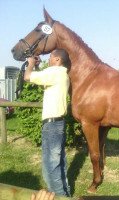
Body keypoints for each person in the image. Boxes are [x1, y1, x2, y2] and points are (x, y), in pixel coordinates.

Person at [24, 49, 71, 196]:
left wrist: (30, 64)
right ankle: (66, 195)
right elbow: (42, 79)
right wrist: (37, 67)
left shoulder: (55, 72)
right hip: (59, 123)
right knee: (60, 164)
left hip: (51, 126)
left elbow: (27, 77)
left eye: (51, 57)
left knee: (50, 168)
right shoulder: (62, 74)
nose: (48, 60)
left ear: (57, 60)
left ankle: (59, 198)